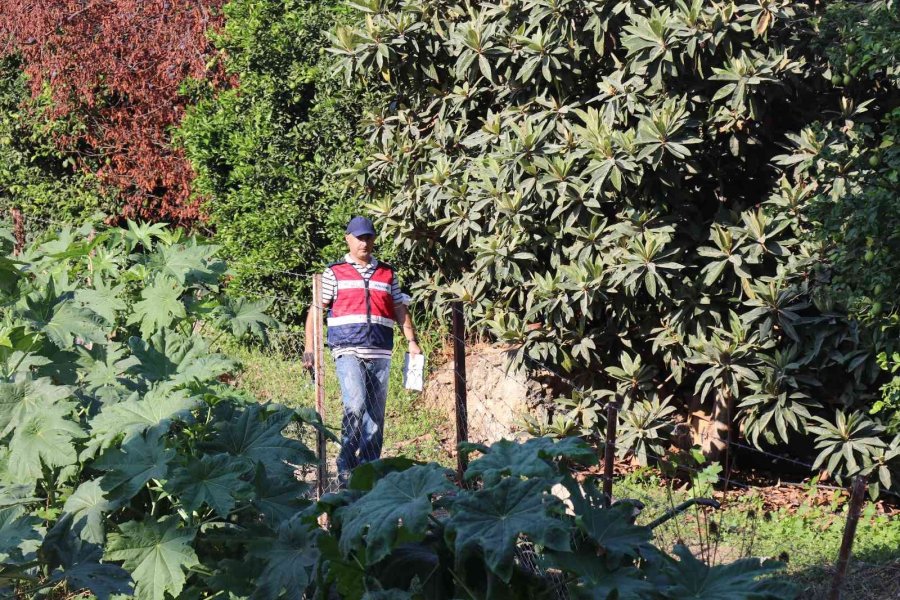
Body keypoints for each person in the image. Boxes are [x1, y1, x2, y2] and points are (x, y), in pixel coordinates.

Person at [303, 216, 421, 484]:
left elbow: (400, 308)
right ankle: (345, 466)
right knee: (355, 406)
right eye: (359, 237)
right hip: (347, 348)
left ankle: (368, 471)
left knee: (375, 416)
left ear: (374, 239)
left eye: (368, 237)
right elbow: (316, 311)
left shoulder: (388, 273)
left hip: (380, 350)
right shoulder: (334, 272)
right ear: (348, 238)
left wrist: (412, 341)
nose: (364, 242)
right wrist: (309, 348)